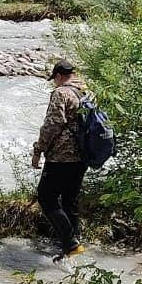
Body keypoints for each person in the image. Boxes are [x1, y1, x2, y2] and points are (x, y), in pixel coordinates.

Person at [32, 59, 88, 260]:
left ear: (58, 76)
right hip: (83, 156)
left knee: (46, 197)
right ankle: (72, 246)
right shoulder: (88, 92)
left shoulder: (61, 93)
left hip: (61, 156)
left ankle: (71, 243)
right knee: (69, 200)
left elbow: (53, 124)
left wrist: (38, 150)